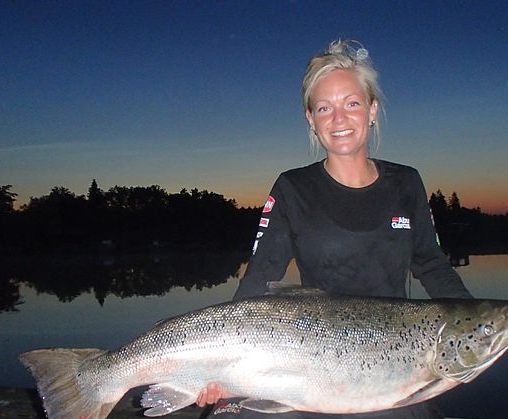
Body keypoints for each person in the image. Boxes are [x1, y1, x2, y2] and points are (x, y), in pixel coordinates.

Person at [200, 39, 473, 418]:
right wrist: (221, 363)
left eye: (352, 103)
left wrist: (474, 321)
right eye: (325, 108)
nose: (339, 119)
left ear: (372, 110)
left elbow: (431, 264)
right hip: (304, 362)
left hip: (390, 363)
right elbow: (260, 278)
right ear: (311, 119)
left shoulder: (406, 183)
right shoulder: (292, 188)